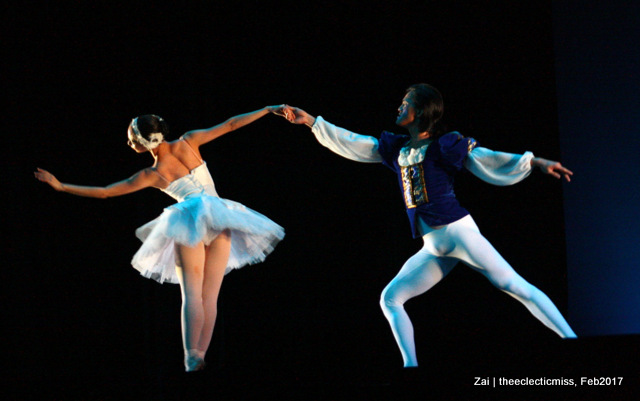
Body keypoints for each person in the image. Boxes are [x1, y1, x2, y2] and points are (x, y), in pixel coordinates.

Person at [280, 84, 576, 368]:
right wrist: (312, 122)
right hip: (433, 247)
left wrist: (535, 162)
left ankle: (573, 342)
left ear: (421, 111)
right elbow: (355, 141)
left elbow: (486, 157)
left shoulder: (444, 145)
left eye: (405, 103)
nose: (399, 107)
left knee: (513, 285)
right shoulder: (397, 148)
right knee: (391, 299)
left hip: (458, 233)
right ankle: (411, 367)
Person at [35, 107, 286, 371]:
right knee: (210, 296)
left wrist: (62, 186)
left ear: (145, 142)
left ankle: (192, 356)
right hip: (221, 217)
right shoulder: (189, 141)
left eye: (131, 140)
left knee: (192, 294)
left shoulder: (151, 174)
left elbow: (106, 192)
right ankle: (200, 354)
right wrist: (268, 109)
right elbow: (231, 124)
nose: (129, 143)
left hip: (189, 220)